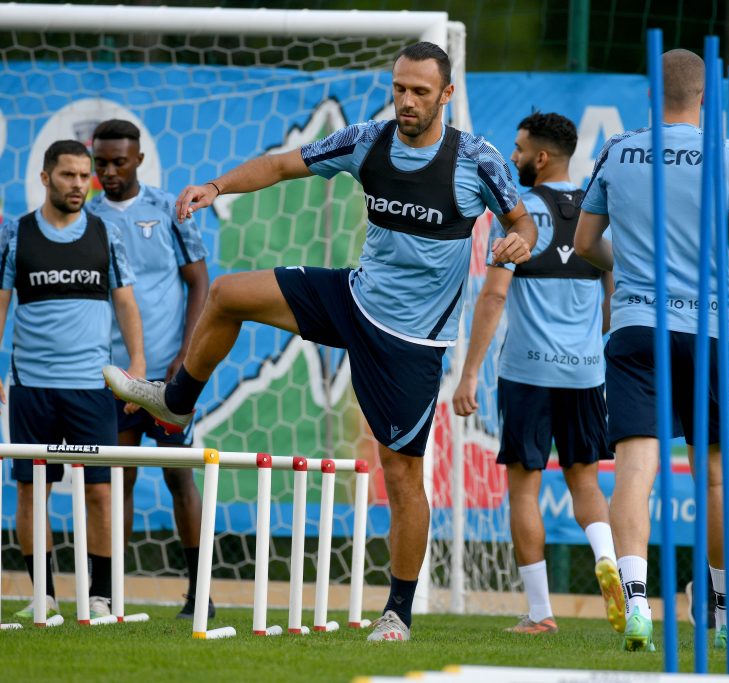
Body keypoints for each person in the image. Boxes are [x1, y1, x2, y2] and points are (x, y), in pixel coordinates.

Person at [103, 41, 536, 642]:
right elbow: (282, 165)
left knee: (402, 473)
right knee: (227, 294)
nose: (406, 101)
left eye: (419, 91)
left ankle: (398, 612)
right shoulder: (368, 141)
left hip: (412, 341)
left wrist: (520, 241)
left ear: (447, 94)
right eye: (399, 88)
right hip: (355, 297)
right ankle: (176, 401)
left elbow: (522, 220)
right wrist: (216, 186)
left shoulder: (477, 160)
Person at [573, 48, 729, 652]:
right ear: (704, 97)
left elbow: (583, 244)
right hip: (709, 329)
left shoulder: (617, 150)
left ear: (651, 93)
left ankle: (635, 601)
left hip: (635, 327)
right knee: (715, 478)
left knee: (636, 470)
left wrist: (626, 272)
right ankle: (723, 603)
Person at [453, 112, 622, 635]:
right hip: (586, 372)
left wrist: (468, 373)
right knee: (585, 481)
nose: (514, 157)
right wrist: (601, 352)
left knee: (524, 490)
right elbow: (611, 292)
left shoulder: (519, 215)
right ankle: (611, 565)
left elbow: (496, 294)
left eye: (520, 149)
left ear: (541, 158)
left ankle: (540, 613)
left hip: (528, 372)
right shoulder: (598, 214)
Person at [0, 140, 144, 620]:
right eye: (68, 175)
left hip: (92, 388)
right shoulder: (16, 233)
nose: (78, 184)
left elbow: (126, 303)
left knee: (100, 490)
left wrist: (137, 367)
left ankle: (102, 595)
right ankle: (44, 595)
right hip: (31, 386)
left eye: (83, 175)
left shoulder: (105, 232)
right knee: (32, 489)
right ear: (45, 177)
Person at [87, 119, 212, 620]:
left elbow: (200, 283)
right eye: (101, 163)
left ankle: (199, 593)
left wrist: (188, 353)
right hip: (114, 375)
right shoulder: (87, 218)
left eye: (119, 161)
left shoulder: (169, 209)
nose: (110, 171)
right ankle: (110, 593)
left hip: (167, 373)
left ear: (139, 159)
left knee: (180, 478)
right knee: (119, 478)